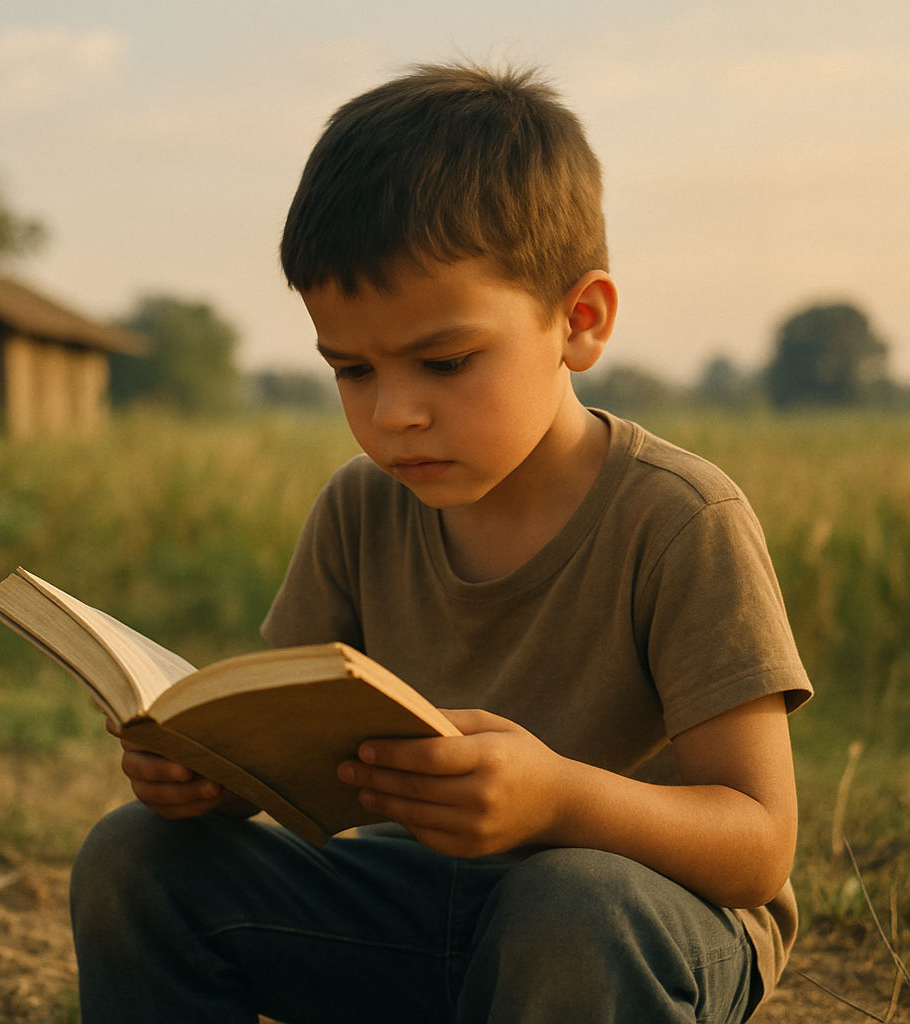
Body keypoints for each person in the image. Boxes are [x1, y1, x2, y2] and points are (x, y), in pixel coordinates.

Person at [70, 63, 813, 1023]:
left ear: (578, 321)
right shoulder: (359, 509)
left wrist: (557, 800)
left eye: (445, 361)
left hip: (637, 924)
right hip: (415, 905)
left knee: (569, 904)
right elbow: (291, 760)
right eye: (351, 368)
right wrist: (210, 778)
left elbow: (758, 845)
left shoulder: (679, 520)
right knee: (135, 857)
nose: (394, 414)